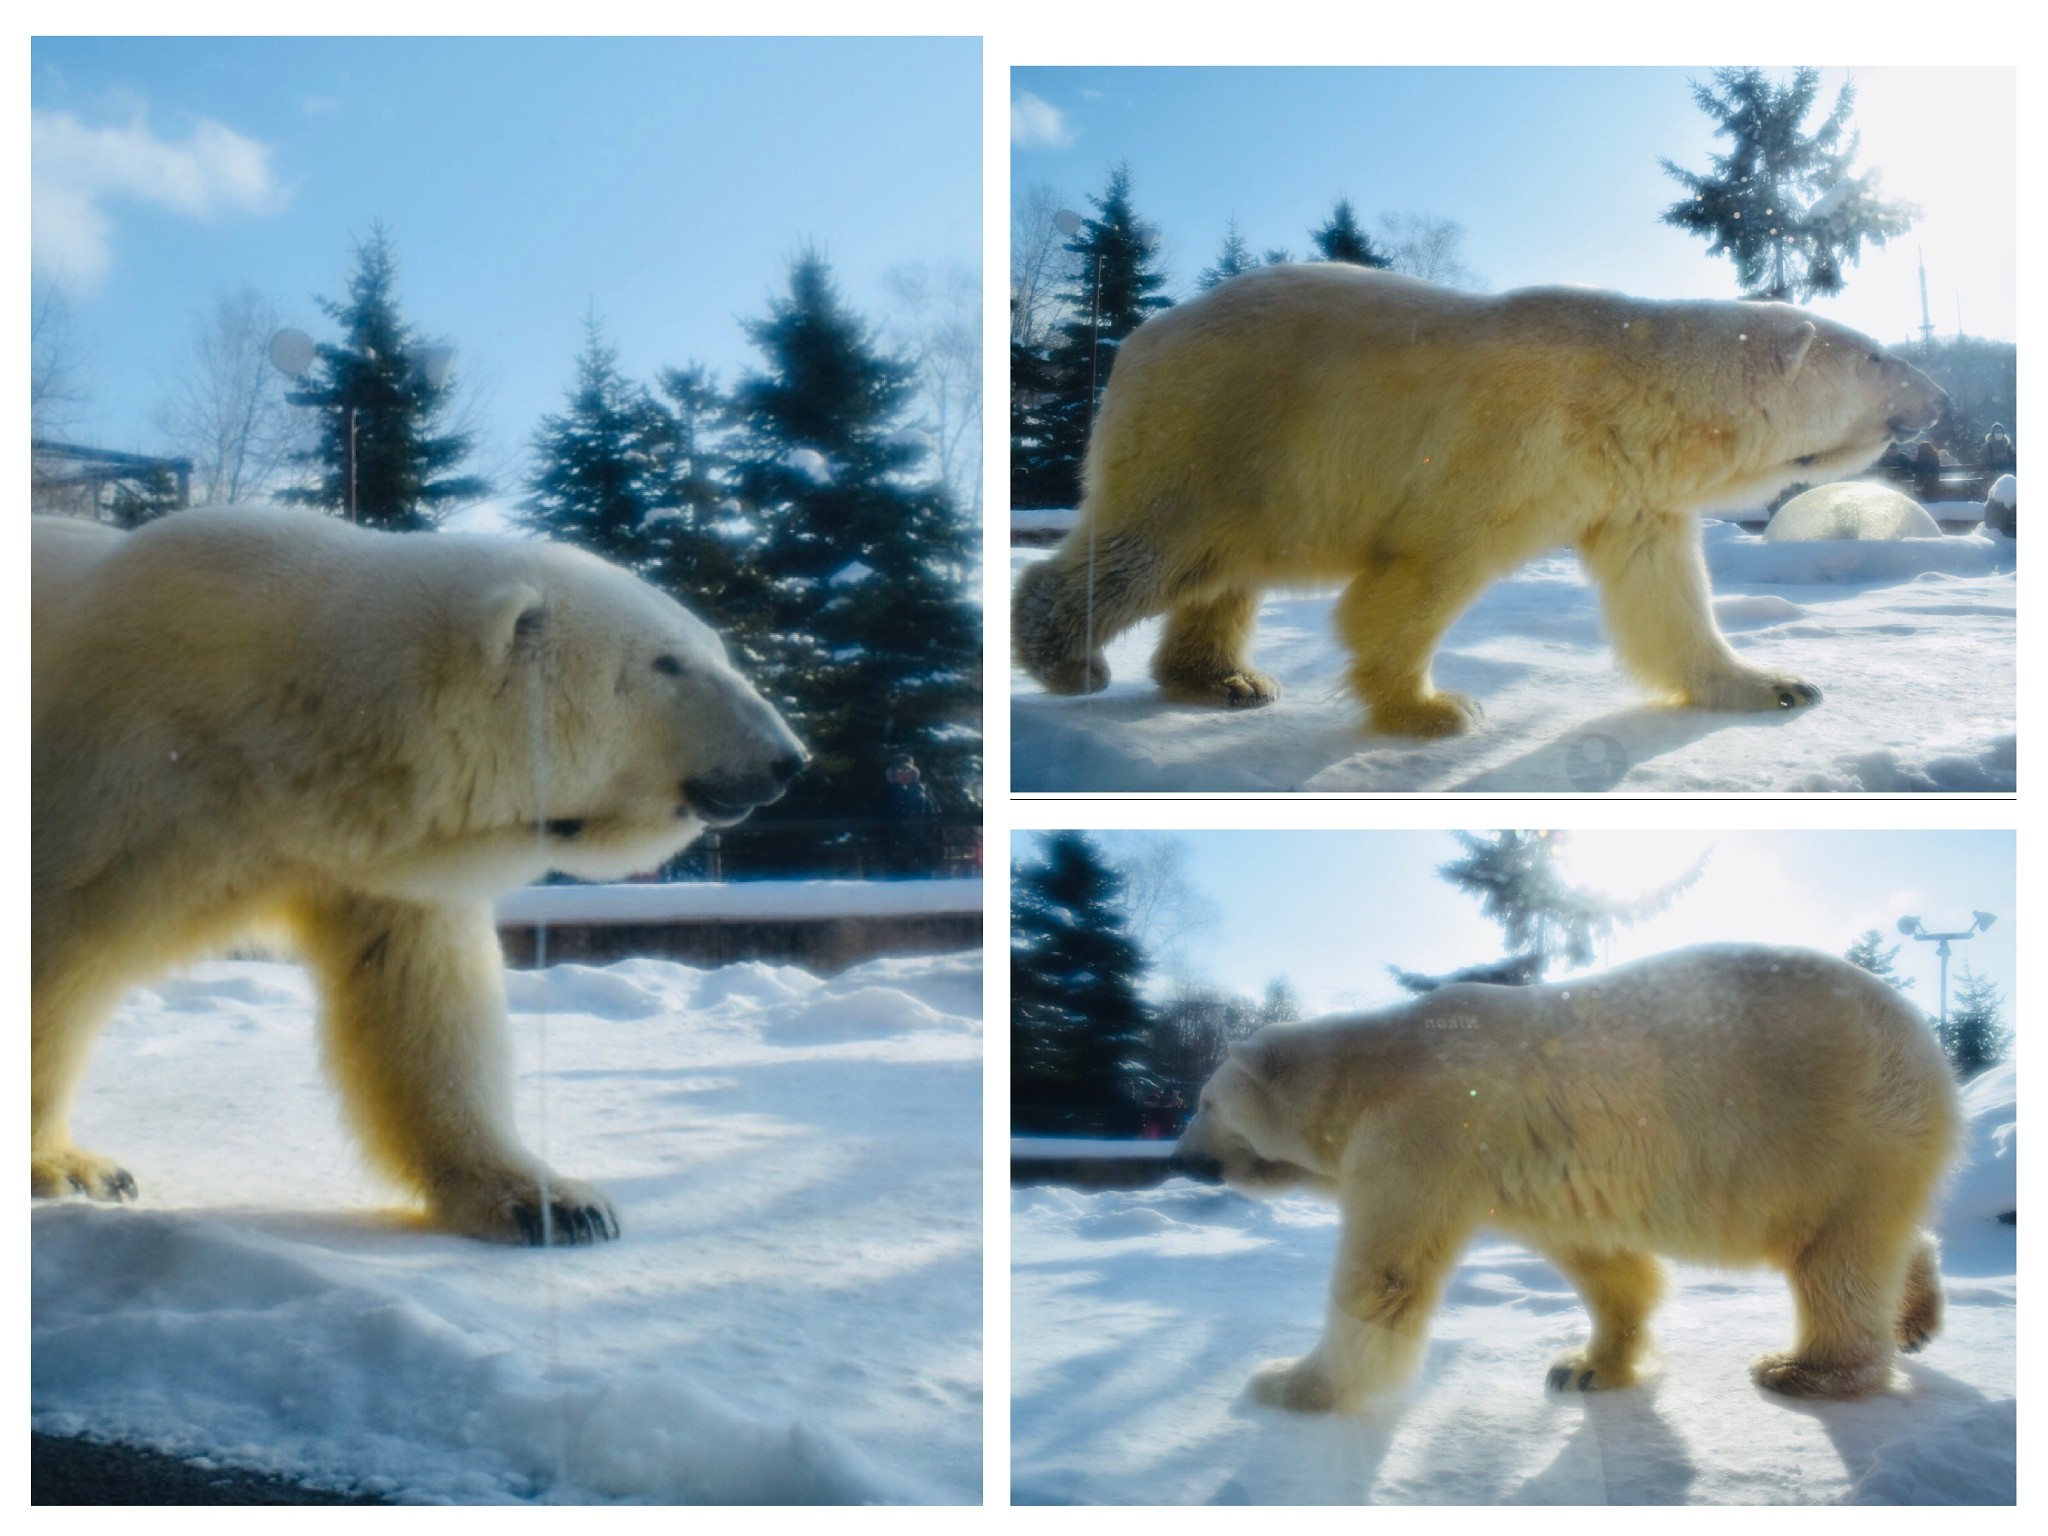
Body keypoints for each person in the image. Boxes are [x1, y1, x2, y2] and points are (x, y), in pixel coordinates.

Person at [881, 753, 942, 876]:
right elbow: (885, 817)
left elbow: (934, 816)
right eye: (900, 771)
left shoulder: (923, 792)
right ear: (893, 774)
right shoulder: (887, 794)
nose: (904, 774)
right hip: (897, 848)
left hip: (922, 847)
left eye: (907, 771)